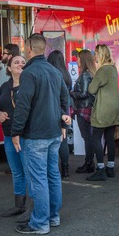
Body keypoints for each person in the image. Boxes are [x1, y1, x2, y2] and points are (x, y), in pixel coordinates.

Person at [11, 33, 70, 235]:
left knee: (39, 179)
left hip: (36, 135)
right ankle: (53, 217)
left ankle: (40, 223)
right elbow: (65, 98)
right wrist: (64, 123)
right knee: (52, 175)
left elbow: (23, 105)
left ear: (28, 47)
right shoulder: (54, 71)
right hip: (54, 132)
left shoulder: (29, 73)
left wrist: (15, 131)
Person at [0, 55, 31, 219]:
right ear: (8, 68)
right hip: (8, 135)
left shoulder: (29, 85)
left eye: (23, 62)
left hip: (25, 135)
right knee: (16, 171)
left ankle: (33, 206)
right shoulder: (4, 87)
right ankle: (19, 205)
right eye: (16, 62)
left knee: (29, 171)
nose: (20, 64)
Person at [86, 44, 119, 181]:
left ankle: (100, 168)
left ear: (100, 54)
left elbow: (91, 89)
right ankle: (111, 168)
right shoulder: (113, 68)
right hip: (115, 108)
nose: (94, 56)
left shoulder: (102, 70)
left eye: (95, 53)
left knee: (95, 138)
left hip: (104, 109)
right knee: (109, 138)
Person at [47, 50, 72, 179]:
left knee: (52, 142)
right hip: (65, 110)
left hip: (53, 109)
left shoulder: (51, 75)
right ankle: (65, 169)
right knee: (63, 140)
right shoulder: (66, 75)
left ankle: (53, 170)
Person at [70, 49, 96, 174]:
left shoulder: (85, 74)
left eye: (78, 58)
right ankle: (89, 162)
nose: (76, 60)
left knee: (87, 138)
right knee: (88, 137)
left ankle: (89, 163)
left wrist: (72, 93)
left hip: (83, 109)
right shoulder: (89, 73)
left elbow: (84, 93)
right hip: (86, 108)